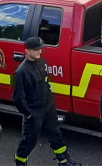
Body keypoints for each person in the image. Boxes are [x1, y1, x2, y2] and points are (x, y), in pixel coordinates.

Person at [14, 37, 79, 166]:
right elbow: (18, 98)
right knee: (29, 140)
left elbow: (46, 84)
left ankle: (64, 161)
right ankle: (20, 162)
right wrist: (29, 114)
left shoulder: (42, 63)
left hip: (48, 108)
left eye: (40, 49)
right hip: (34, 112)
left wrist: (50, 103)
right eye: (36, 49)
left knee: (55, 133)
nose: (40, 51)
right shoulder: (22, 72)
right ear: (27, 51)